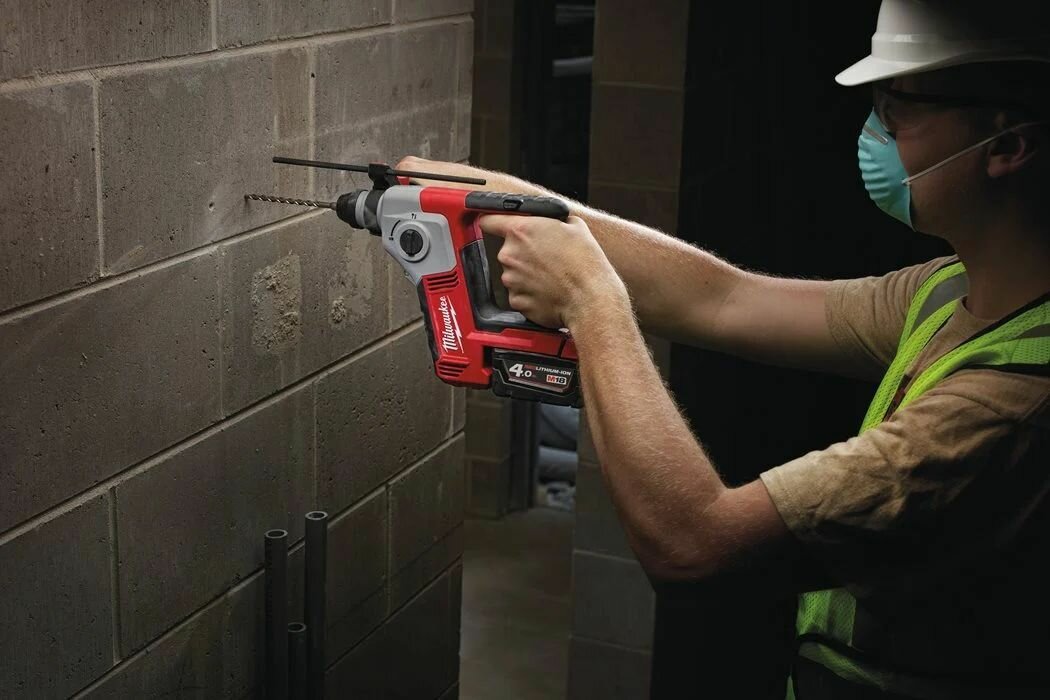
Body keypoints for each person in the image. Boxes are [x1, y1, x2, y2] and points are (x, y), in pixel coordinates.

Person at [400, 1, 1049, 696]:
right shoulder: (951, 290)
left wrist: (590, 301)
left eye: (898, 109)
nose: (874, 132)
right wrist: (501, 199)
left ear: (1007, 145)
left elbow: (695, 546)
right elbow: (727, 299)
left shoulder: (1007, 406)